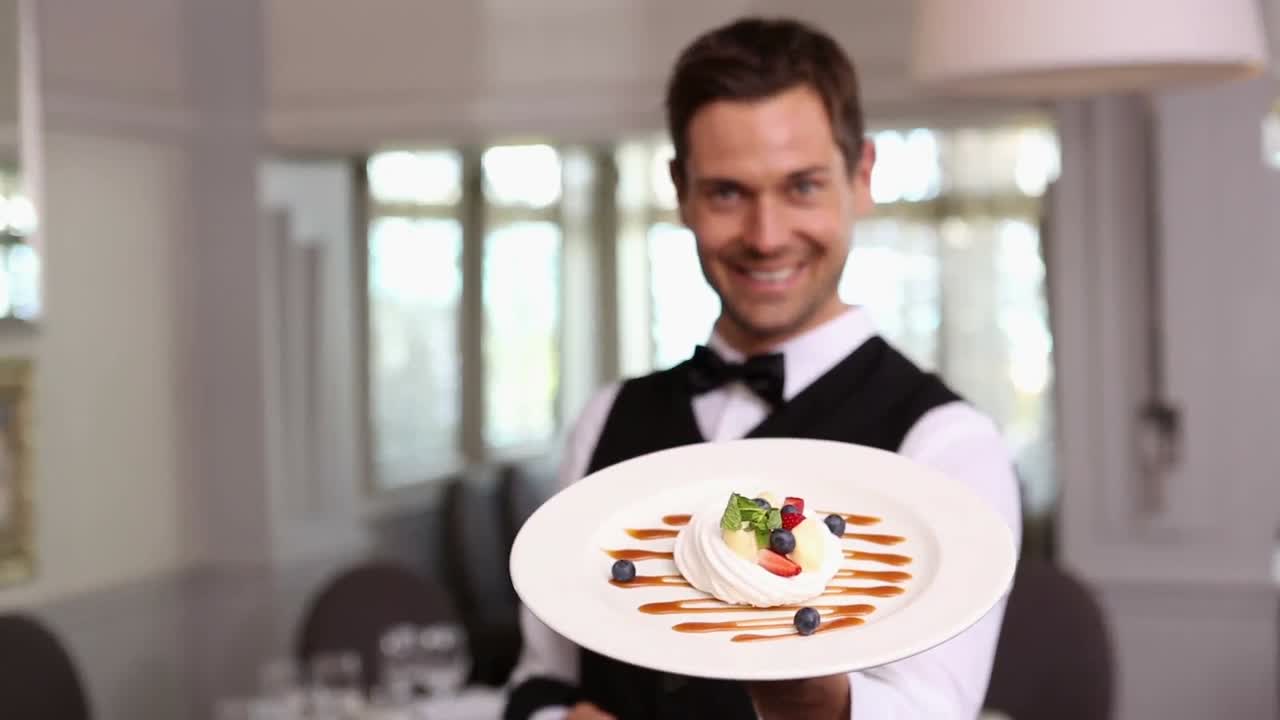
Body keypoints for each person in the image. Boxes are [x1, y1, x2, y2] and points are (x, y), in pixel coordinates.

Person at [504, 15, 1021, 720]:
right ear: (681, 191)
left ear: (861, 177)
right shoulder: (605, 418)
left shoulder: (948, 443)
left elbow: (934, 710)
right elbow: (544, 674)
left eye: (802, 186)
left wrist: (816, 698)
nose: (766, 236)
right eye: (726, 193)